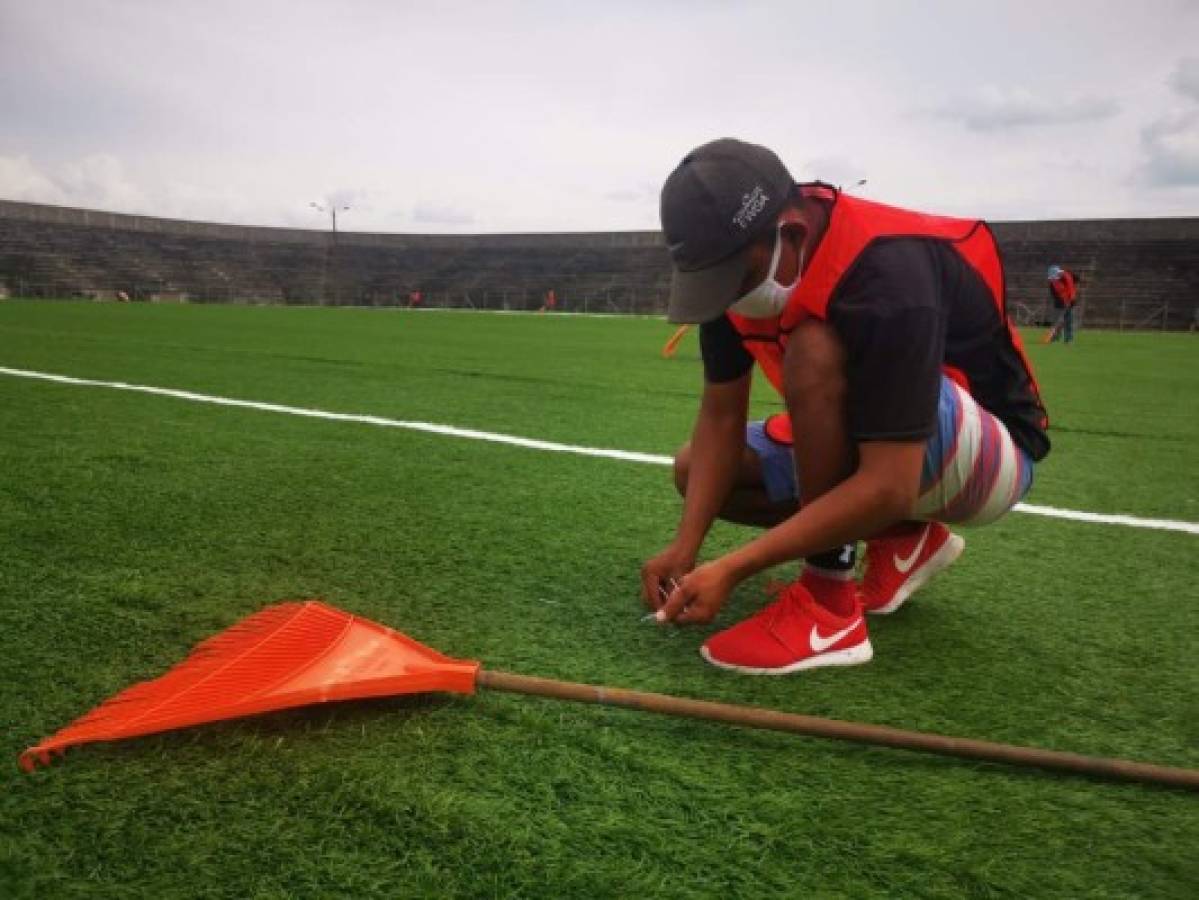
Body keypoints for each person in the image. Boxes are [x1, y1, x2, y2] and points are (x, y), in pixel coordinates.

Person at [641, 138, 1050, 674]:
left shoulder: (887, 271)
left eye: (732, 279)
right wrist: (686, 545)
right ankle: (905, 542)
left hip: (993, 455)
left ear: (790, 233)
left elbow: (888, 483)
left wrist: (735, 567)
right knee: (694, 469)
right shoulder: (739, 266)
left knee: (814, 348)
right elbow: (722, 416)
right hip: (894, 441)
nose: (723, 298)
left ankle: (828, 607)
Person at [1044, 265, 1079, 343]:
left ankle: (1068, 339)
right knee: (1057, 321)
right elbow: (1054, 294)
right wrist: (1061, 302)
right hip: (1059, 303)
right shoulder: (1052, 283)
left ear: (1059, 273)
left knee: (1069, 321)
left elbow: (1073, 287)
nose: (1053, 279)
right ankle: (1055, 337)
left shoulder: (1068, 277)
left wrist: (1069, 301)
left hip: (1070, 302)